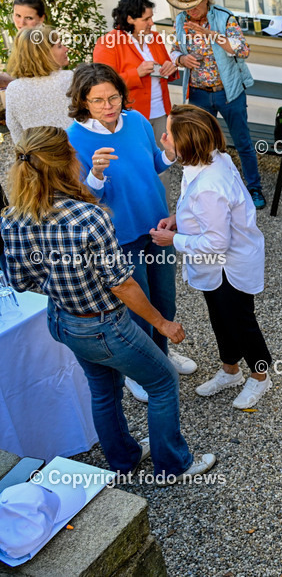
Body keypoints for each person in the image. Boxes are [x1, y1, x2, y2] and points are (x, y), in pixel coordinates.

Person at [1, 127, 215, 484]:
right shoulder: (89, 217)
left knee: (103, 390)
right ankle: (172, 467)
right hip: (104, 325)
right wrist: (163, 324)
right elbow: (122, 284)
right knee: (163, 382)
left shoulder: (11, 219)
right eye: (71, 152)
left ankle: (122, 459)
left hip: (62, 320)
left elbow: (21, 281)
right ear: (64, 163)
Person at [66, 63, 195, 403]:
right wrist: (94, 173)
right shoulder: (74, 138)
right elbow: (83, 200)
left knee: (164, 297)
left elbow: (151, 162)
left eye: (113, 97)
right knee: (138, 306)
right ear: (83, 102)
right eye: (98, 100)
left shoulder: (137, 121)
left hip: (157, 227)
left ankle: (162, 353)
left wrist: (168, 154)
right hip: (119, 237)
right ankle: (139, 372)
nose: (108, 106)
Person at [149, 105, 273, 409]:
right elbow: (207, 216)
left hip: (228, 267)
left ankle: (260, 377)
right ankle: (230, 370)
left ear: (187, 143)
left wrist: (172, 238)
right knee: (220, 318)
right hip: (216, 268)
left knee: (241, 322)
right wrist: (178, 218)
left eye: (170, 134)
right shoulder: (212, 160)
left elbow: (216, 242)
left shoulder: (209, 185)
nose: (164, 137)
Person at [166, 0, 266, 209]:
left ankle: (254, 188)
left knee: (242, 142)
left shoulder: (224, 17)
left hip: (228, 91)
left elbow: (242, 50)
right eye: (185, 7)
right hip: (199, 92)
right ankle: (207, 189)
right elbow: (173, 51)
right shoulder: (180, 21)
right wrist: (182, 59)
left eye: (194, 6)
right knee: (201, 142)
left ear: (205, 0)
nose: (190, 11)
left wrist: (211, 35)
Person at [92, 0, 177, 166]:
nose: (151, 23)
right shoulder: (108, 43)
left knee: (164, 163)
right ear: (130, 19)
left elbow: (168, 70)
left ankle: (162, 195)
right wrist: (136, 73)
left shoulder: (155, 38)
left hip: (161, 111)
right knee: (138, 165)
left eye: (151, 17)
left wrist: (170, 69)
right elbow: (101, 84)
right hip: (130, 115)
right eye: (146, 19)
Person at [3, 25, 72, 143]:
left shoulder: (13, 89)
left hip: (35, 156)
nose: (66, 49)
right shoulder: (69, 78)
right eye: (59, 46)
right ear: (44, 54)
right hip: (73, 154)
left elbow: (16, 131)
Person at [1, 0, 48, 91]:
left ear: (41, 18)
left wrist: (10, 82)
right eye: (18, 15)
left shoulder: (46, 44)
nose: (21, 23)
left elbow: (44, 86)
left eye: (29, 18)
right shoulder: (23, 41)